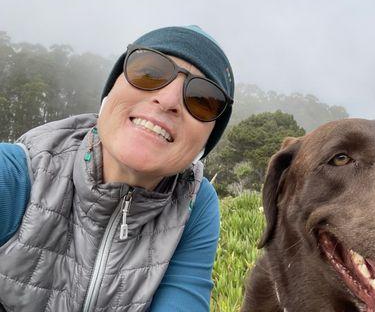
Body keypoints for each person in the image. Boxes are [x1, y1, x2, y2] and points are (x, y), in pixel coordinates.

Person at [0, 26, 234, 311]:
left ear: (206, 141)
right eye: (150, 72)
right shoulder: (20, 173)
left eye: (202, 100)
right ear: (110, 92)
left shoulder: (194, 202)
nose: (169, 100)